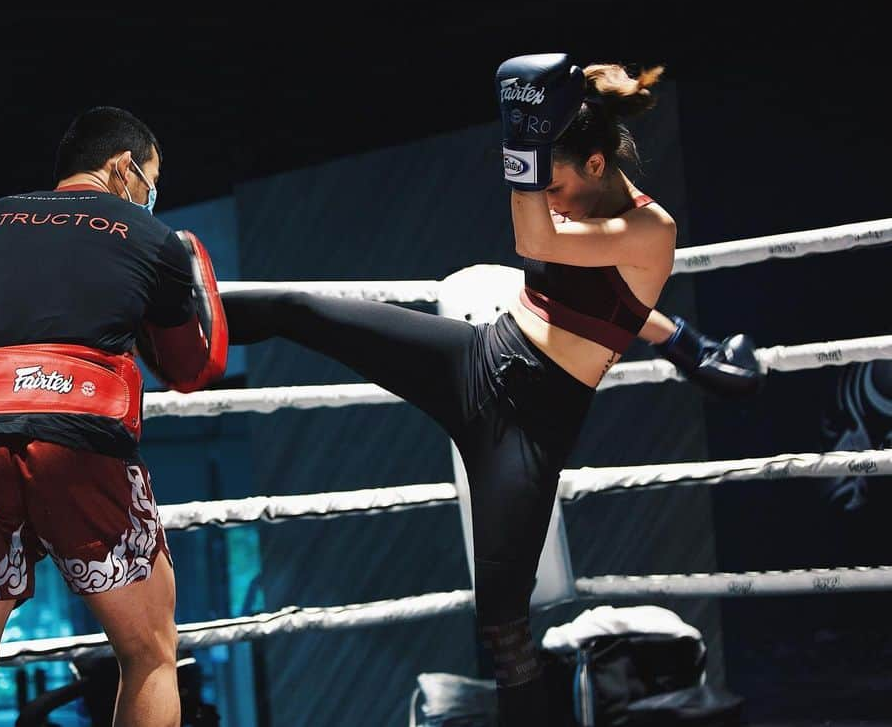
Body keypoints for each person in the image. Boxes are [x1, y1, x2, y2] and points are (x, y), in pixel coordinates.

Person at [220, 54, 762, 723]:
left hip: (529, 427)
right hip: (479, 356)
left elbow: (540, 237)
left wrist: (523, 145)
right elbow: (613, 303)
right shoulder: (587, 211)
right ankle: (155, 310)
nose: (551, 196)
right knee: (305, 311)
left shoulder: (652, 230)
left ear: (595, 166)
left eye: (555, 181)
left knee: (505, 630)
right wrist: (678, 339)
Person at [0, 106, 226, 727]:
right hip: (78, 439)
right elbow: (192, 367)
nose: (150, 197)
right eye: (150, 180)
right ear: (123, 167)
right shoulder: (150, 238)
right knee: (151, 655)